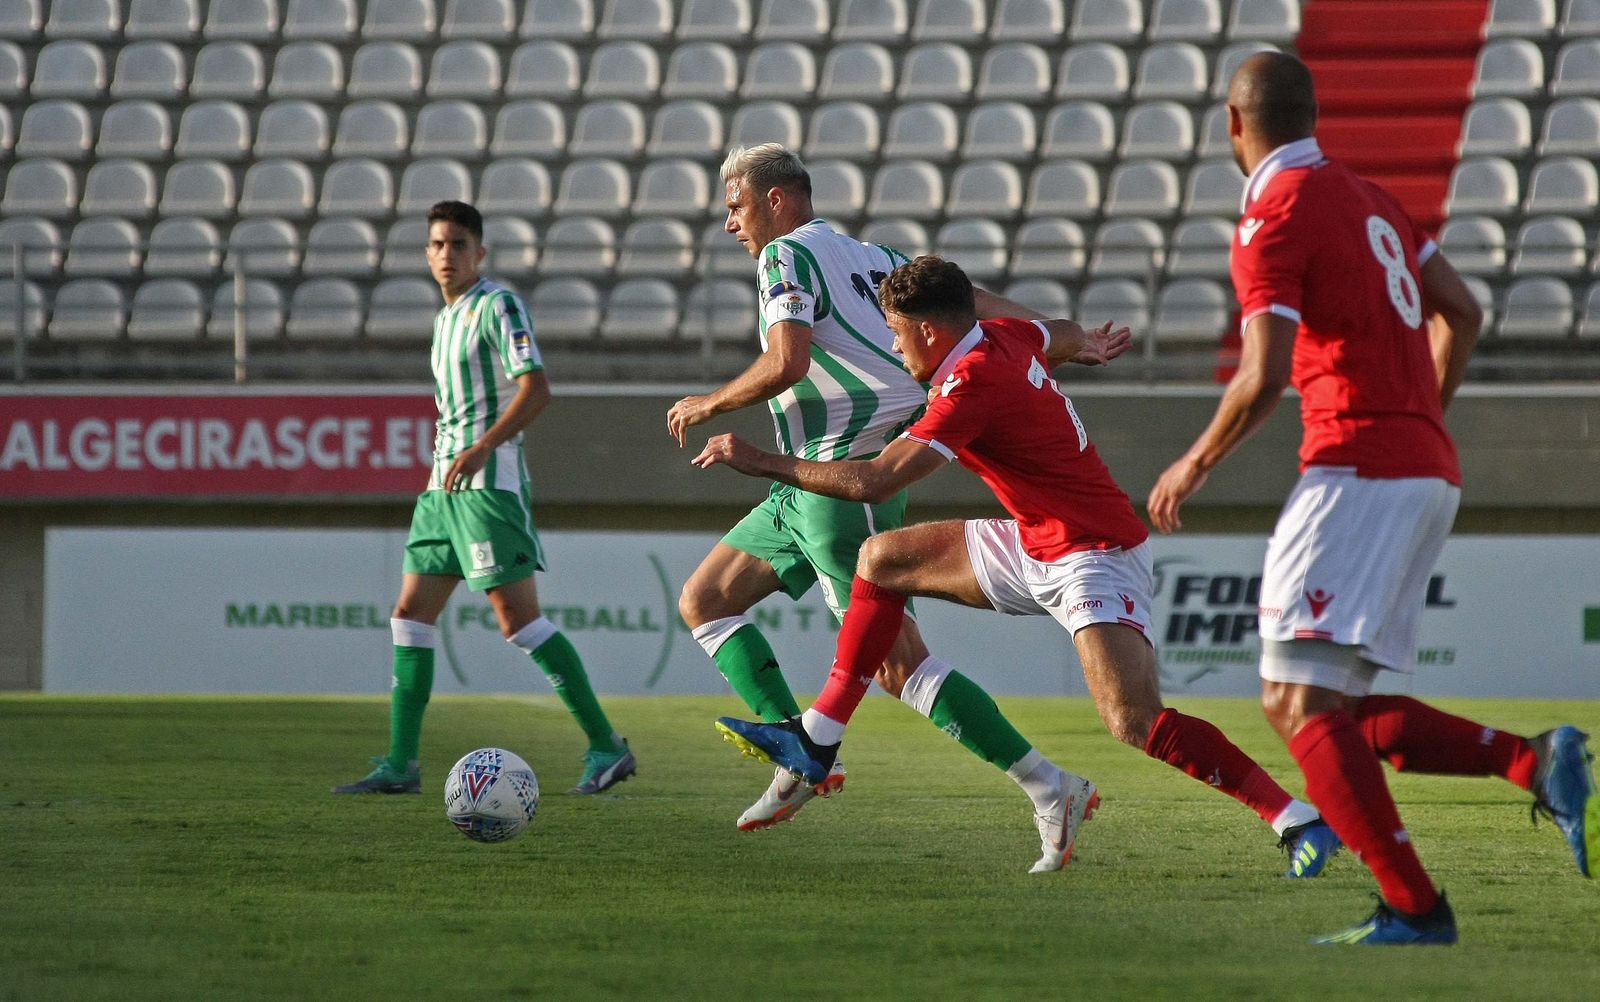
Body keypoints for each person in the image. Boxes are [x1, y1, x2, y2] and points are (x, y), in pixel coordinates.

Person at [694, 254, 1340, 875]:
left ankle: (1298, 821)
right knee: (882, 558)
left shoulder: (974, 380)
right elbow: (1052, 332)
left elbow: (877, 483)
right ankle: (819, 736)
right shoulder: (1006, 335)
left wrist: (763, 461)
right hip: (1036, 540)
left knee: (1134, 721)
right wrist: (1081, 340)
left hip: (1093, 554)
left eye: (895, 335)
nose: (894, 350)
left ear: (926, 329)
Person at [1147, 53, 1596, 945]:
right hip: (1425, 466)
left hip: (1356, 468)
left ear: (1234, 126)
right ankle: (1534, 760)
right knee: (1349, 716)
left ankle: (1416, 909)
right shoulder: (1373, 197)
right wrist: (1420, 413)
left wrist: (1192, 463)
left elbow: (1265, 372)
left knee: (1295, 702)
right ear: (1312, 116)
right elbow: (1461, 311)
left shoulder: (1271, 214)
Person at [668, 144, 1097, 862]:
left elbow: (787, 362)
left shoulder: (784, 258)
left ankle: (1049, 785)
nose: (730, 225)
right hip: (802, 481)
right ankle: (798, 749)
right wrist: (1062, 335)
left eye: (736, 206)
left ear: (777, 200)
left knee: (902, 667)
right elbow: (977, 307)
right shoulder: (876, 256)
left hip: (847, 477)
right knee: (706, 598)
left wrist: (710, 403)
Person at [335, 200, 636, 797]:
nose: (446, 255)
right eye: (437, 245)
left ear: (480, 252)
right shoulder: (445, 319)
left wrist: (482, 447)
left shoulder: (497, 305)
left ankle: (606, 745)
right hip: (440, 489)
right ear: (427, 253)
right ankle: (401, 764)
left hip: (487, 485)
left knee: (518, 621)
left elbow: (537, 388)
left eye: (457, 244)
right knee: (410, 617)